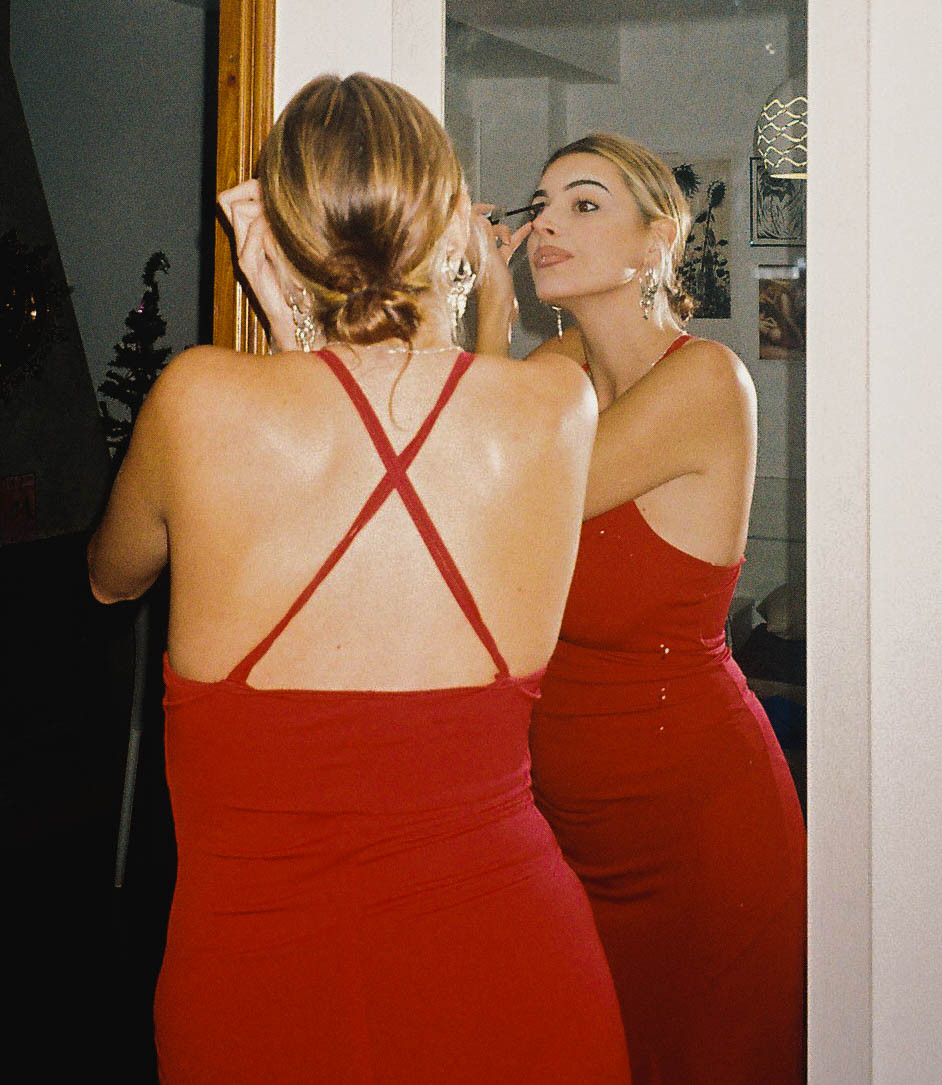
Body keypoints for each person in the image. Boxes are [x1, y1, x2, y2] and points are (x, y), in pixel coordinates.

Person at [88, 75, 630, 1085]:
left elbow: (110, 579)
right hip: (511, 967)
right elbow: (437, 406)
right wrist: (479, 288)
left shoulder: (197, 398)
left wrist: (288, 323)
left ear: (284, 233)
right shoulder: (559, 403)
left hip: (260, 984)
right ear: (448, 220)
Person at [476, 131, 806, 1085]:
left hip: (700, 832)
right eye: (541, 203)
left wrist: (491, 317)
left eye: (584, 203)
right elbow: (458, 462)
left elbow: (511, 495)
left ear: (658, 241)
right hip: (573, 833)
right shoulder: (564, 373)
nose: (546, 223)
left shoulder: (707, 380)